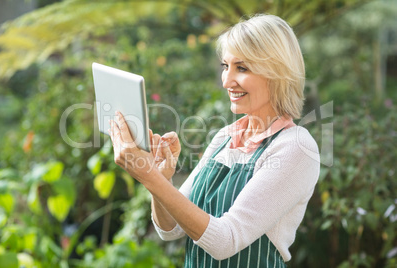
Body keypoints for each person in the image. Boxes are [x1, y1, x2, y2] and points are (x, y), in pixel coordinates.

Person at [109, 14, 320, 268]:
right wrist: (160, 179)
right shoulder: (225, 137)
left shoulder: (294, 146)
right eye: (225, 66)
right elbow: (171, 228)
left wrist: (148, 176)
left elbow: (225, 241)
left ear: (277, 73)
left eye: (241, 68)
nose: (227, 81)